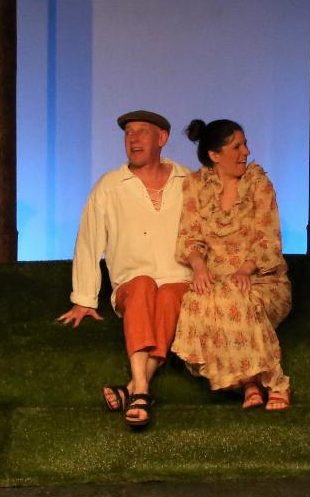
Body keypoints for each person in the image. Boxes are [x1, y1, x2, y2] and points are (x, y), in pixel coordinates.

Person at [57, 111, 192, 428]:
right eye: (128, 133)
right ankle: (142, 390)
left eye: (142, 132)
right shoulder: (110, 185)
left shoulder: (187, 181)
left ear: (162, 138)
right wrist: (84, 298)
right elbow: (89, 240)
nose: (133, 139)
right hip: (132, 284)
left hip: (179, 281)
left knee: (170, 295)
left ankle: (131, 389)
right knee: (143, 284)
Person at [172, 119, 292, 409]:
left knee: (235, 294)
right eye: (237, 147)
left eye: (245, 145)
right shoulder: (196, 186)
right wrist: (199, 267)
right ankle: (249, 383)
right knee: (199, 300)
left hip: (263, 278)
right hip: (218, 280)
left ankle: (275, 383)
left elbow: (269, 239)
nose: (246, 152)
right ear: (215, 155)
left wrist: (245, 269)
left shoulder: (258, 184)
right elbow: (189, 236)